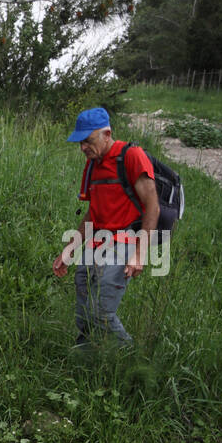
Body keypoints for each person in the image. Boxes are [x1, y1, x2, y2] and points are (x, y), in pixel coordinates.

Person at [52, 106, 160, 347]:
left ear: (107, 134)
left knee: (101, 313)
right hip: (95, 243)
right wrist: (69, 251)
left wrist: (140, 254)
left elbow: (153, 206)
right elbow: (93, 214)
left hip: (124, 243)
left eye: (88, 141)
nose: (83, 148)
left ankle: (130, 357)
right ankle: (84, 359)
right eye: (80, 143)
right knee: (83, 311)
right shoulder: (93, 165)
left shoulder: (131, 156)